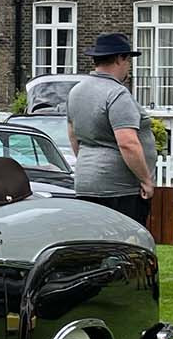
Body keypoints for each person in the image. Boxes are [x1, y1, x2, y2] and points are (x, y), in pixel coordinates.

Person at [67, 33, 156, 226]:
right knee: (125, 245)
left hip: (86, 182)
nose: (128, 66)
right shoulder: (117, 93)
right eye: (128, 60)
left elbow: (73, 136)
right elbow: (128, 143)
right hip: (119, 189)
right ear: (119, 58)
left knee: (93, 243)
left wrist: (89, 163)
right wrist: (146, 180)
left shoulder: (76, 91)